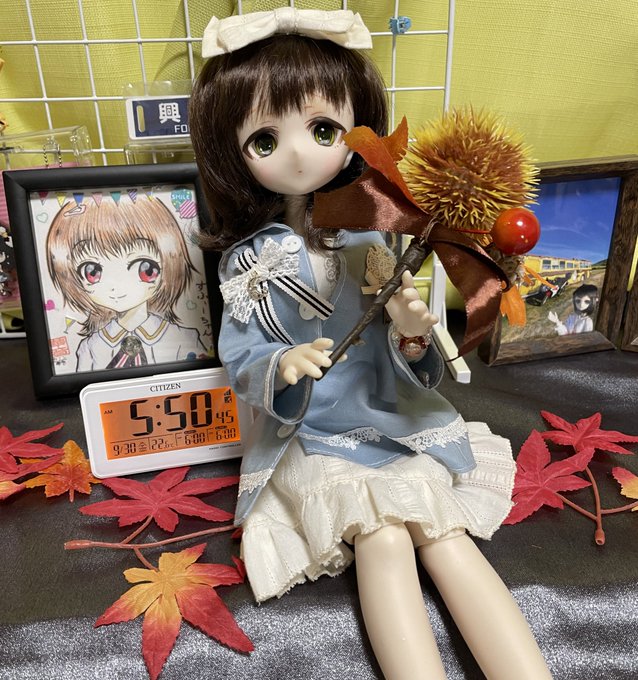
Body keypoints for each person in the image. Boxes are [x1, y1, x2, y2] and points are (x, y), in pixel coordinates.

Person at [190, 9, 551, 679]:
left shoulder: (373, 235)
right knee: (382, 538)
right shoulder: (248, 260)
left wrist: (411, 336)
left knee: (444, 534)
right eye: (264, 140)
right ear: (229, 153)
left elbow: (407, 352)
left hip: (386, 414)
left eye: (323, 130)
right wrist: (281, 362)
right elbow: (238, 355)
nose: (299, 153)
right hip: (309, 430)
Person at [46, 194, 206, 370]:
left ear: (169, 263)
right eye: (92, 272)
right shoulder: (91, 347)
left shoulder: (183, 339)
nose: (116, 286)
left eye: (145, 269)